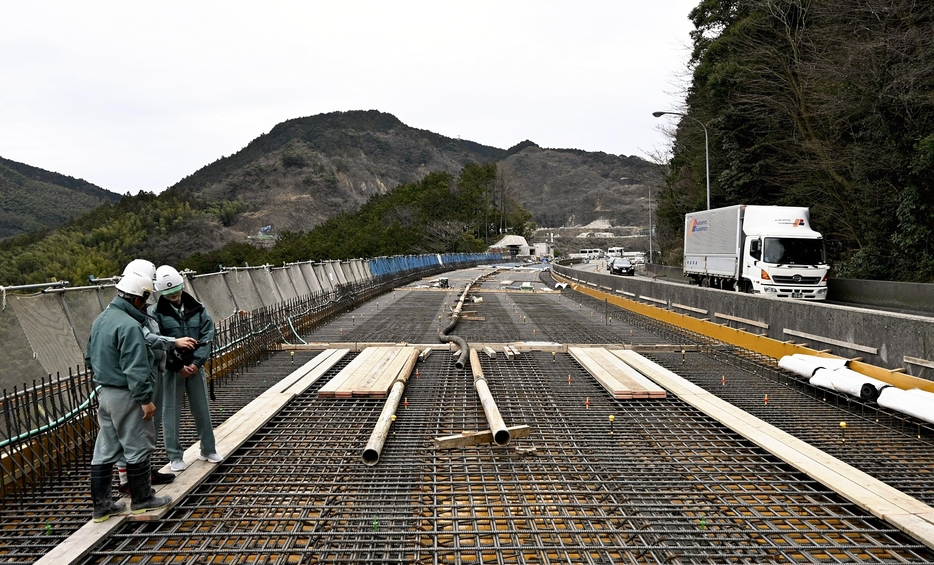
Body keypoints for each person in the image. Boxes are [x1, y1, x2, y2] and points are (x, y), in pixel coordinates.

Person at [86, 272, 172, 522]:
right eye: (144, 300)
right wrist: (145, 399)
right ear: (137, 298)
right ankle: (142, 500)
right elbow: (136, 368)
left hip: (106, 394)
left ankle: (101, 507)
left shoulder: (101, 319)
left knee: (104, 450)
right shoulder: (129, 326)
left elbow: (89, 357)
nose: (145, 305)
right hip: (127, 396)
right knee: (137, 446)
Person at [114, 260, 197, 495]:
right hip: (137, 379)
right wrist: (174, 343)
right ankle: (129, 482)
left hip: (150, 373)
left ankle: (142, 473)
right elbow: (148, 338)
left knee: (145, 429)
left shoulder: (136, 310)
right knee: (131, 431)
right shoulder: (127, 317)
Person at [152, 265, 223, 471]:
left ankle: (208, 449)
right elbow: (158, 343)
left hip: (194, 366)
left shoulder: (198, 309)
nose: (174, 296)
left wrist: (196, 363)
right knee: (171, 411)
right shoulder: (155, 314)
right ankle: (175, 456)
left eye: (176, 291)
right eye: (168, 293)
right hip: (172, 370)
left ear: (182, 286)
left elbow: (207, 336)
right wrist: (177, 366)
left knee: (201, 408)